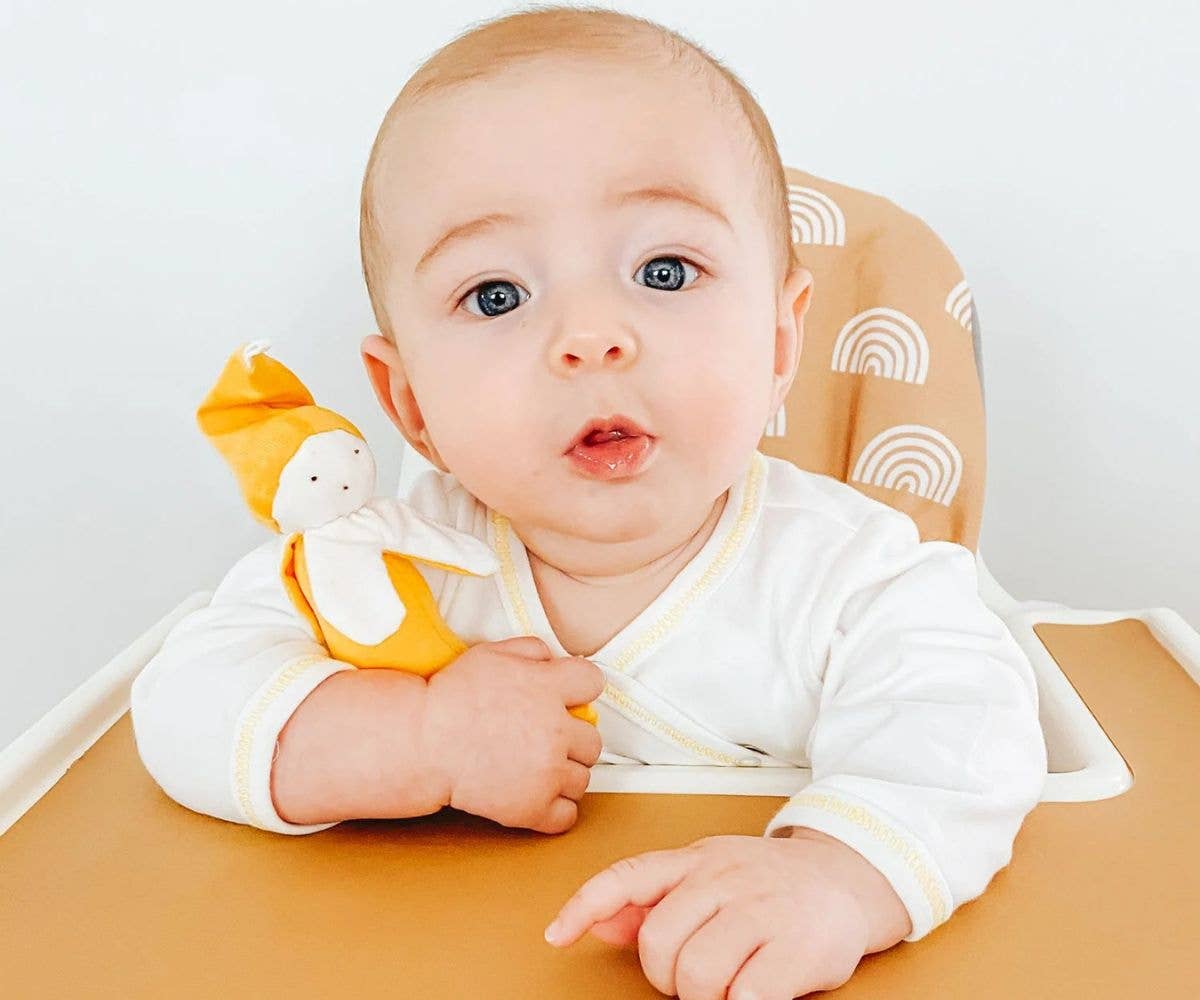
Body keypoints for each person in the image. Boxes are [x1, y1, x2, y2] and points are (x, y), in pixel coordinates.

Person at [131, 7, 1047, 997]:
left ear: (781, 344)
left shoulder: (857, 574)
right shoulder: (377, 566)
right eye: (496, 295)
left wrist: (837, 875)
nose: (590, 336)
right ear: (410, 404)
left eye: (664, 271)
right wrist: (415, 739)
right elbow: (184, 702)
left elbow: (969, 729)